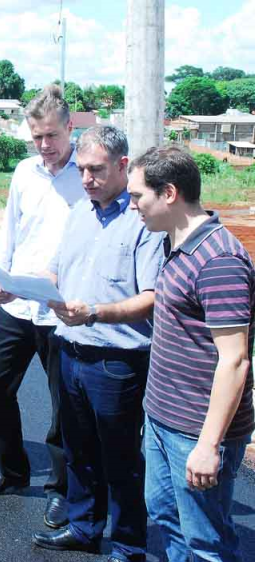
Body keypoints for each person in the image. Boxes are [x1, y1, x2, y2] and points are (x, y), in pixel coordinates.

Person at [29, 127, 163, 562]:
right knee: (79, 450)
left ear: (123, 166)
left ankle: (128, 544)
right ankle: (84, 528)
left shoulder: (143, 221)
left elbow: (151, 298)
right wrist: (24, 288)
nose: (85, 178)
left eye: (96, 169)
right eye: (82, 169)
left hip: (117, 361)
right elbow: (57, 271)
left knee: (120, 458)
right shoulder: (79, 214)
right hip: (68, 350)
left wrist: (95, 312)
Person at [128, 146, 255, 562]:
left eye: (137, 197)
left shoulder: (220, 261)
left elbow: (234, 360)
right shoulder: (175, 243)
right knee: (166, 520)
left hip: (195, 432)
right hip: (163, 419)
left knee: (207, 543)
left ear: (168, 193)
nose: (132, 207)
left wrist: (208, 445)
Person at [0, 85, 84, 528]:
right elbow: (11, 234)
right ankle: (12, 472)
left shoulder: (86, 174)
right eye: (36, 137)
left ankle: (62, 490)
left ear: (70, 128)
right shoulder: (23, 172)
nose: (44, 145)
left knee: (64, 408)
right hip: (16, 307)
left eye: (51, 136)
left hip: (61, 312)